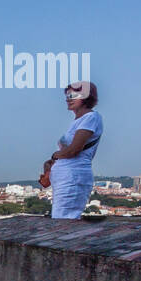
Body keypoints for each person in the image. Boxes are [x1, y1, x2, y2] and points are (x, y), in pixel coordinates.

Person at [40, 81, 103, 219]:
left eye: (74, 95)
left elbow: (74, 150)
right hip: (66, 177)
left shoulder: (91, 117)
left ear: (87, 96)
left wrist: (55, 156)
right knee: (60, 218)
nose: (69, 99)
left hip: (73, 177)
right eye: (68, 96)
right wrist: (52, 163)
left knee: (64, 220)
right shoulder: (78, 121)